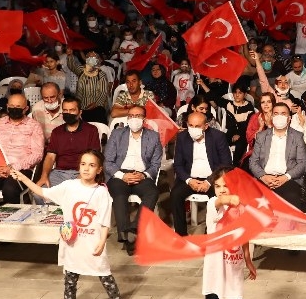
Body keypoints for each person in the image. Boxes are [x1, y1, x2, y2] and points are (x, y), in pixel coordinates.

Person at [10, 149, 129, 299]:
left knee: (105, 276)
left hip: (92, 243)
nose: (86, 168)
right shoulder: (69, 186)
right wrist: (23, 178)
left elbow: (105, 221)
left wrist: (102, 241)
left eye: (91, 165)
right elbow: (42, 192)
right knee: (70, 278)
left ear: (99, 169)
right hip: (72, 243)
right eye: (83, 164)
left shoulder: (101, 192)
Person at [194, 166, 258, 299]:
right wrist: (229, 199)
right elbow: (220, 201)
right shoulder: (213, 204)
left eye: (226, 186)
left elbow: (244, 237)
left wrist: (248, 261)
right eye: (217, 186)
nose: (221, 190)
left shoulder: (242, 209)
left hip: (233, 265)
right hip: (214, 268)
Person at [104, 105, 163, 255]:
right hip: (119, 174)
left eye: (138, 116)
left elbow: (156, 164)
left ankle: (134, 229)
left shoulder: (153, 136)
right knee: (119, 195)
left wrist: (144, 175)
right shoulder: (117, 134)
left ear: (144, 119)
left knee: (152, 193)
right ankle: (127, 238)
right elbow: (108, 161)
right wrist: (121, 175)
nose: (134, 119)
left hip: (141, 174)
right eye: (131, 116)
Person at [169, 111, 232, 235]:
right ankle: (181, 235)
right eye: (190, 125)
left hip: (212, 179)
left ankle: (211, 233)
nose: (193, 129)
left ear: (206, 126)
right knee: (175, 195)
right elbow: (178, 165)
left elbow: (226, 164)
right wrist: (189, 180)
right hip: (190, 178)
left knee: (218, 196)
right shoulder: (182, 137)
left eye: (197, 126)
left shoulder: (217, 137)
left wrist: (209, 181)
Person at [248, 102, 306, 211]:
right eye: (276, 114)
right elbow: (253, 162)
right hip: (265, 179)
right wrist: (263, 176)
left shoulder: (297, 136)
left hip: (288, 179)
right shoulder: (261, 136)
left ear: (289, 118)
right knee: (253, 203)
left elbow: (302, 164)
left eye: (283, 114)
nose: (279, 117)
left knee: (292, 200)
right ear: (272, 117)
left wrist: (285, 177)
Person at [37, 97, 101, 187]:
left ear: (80, 112)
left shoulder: (91, 130)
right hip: (59, 174)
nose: (68, 113)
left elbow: (94, 156)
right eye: (65, 110)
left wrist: (83, 175)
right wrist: (44, 176)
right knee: (39, 193)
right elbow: (50, 157)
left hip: (83, 173)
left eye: (72, 110)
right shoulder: (57, 131)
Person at [66, 48, 111, 124]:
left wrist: (96, 104)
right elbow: (72, 66)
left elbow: (103, 92)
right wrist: (70, 55)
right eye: (89, 57)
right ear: (86, 59)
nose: (91, 59)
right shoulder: (81, 70)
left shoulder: (101, 75)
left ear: (97, 60)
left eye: (93, 57)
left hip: (96, 108)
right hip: (81, 106)